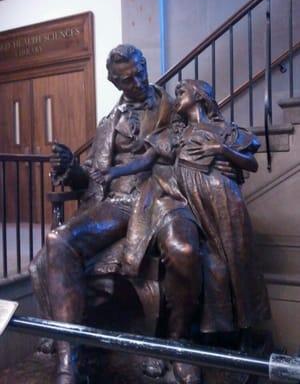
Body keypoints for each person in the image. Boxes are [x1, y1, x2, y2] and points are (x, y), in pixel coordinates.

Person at [32, 45, 203, 384]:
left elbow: (194, 143)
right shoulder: (110, 122)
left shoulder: (174, 107)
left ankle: (180, 345)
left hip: (161, 197)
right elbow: (96, 174)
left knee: (184, 251)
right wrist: (72, 169)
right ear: (115, 83)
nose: (137, 82)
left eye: (140, 72)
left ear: (144, 66)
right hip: (118, 203)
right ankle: (70, 359)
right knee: (58, 240)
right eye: (127, 80)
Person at [98, 79, 270, 345]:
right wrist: (114, 171)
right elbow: (147, 160)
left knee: (239, 261)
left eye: (181, 92)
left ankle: (246, 332)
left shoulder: (224, 130)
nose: (175, 98)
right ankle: (214, 333)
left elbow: (252, 163)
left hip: (225, 202)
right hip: (192, 201)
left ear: (199, 96)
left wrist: (222, 150)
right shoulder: (176, 133)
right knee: (214, 264)